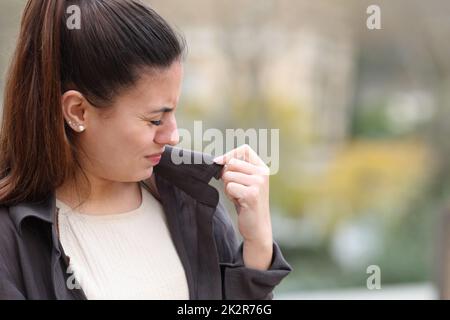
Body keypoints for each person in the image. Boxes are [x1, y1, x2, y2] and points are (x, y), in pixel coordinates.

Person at [0, 0, 291, 300]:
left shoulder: (191, 202)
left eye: (174, 113)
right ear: (78, 112)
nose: (173, 136)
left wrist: (257, 246)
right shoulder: (12, 244)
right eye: (155, 119)